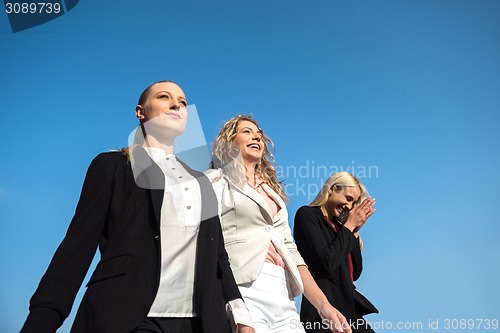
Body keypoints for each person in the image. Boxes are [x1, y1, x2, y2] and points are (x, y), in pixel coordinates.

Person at [20, 81, 254, 333]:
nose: (177, 104)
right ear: (140, 112)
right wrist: (42, 321)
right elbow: (77, 247)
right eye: (165, 97)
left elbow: (219, 257)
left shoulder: (202, 183)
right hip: (126, 316)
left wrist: (241, 315)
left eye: (183, 102)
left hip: (200, 322)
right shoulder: (112, 166)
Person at [206, 115, 352, 333]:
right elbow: (204, 240)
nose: (256, 135)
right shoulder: (214, 181)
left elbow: (291, 252)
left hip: (282, 293)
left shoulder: (272, 194)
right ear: (228, 142)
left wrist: (324, 306)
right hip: (242, 287)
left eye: (259, 133)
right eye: (246, 131)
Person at [293, 172, 378, 333]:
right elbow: (326, 263)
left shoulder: (341, 228)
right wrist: (349, 227)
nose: (349, 206)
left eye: (353, 203)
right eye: (348, 198)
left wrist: (353, 231)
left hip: (350, 311)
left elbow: (355, 273)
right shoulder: (307, 215)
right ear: (332, 189)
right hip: (323, 313)